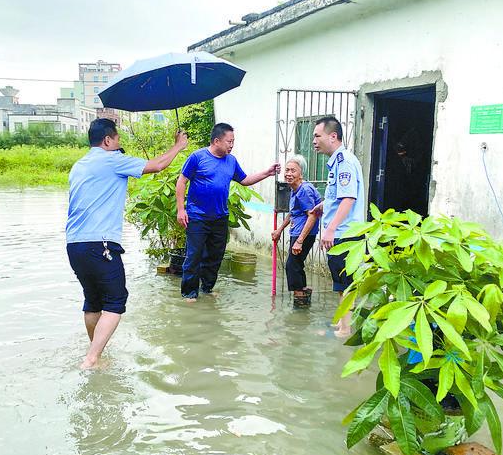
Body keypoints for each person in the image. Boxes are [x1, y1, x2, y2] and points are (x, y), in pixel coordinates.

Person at [66, 118, 187, 369]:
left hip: (74, 244)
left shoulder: (78, 166)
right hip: (100, 244)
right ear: (108, 140)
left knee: (93, 301)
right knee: (115, 301)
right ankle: (91, 358)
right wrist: (178, 146)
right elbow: (157, 165)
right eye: (118, 139)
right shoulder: (112, 160)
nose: (120, 143)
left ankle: (95, 353)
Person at [176, 122, 280, 300]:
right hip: (197, 216)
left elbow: (245, 180)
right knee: (194, 256)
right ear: (216, 141)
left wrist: (267, 173)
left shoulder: (231, 161)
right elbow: (181, 182)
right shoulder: (197, 157)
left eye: (233, 141)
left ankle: (207, 289)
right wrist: (181, 210)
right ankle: (189, 294)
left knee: (215, 257)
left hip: (220, 217)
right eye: (229, 141)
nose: (232, 145)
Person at [310, 116, 365, 336]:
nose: (314, 140)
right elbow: (339, 195)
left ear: (333, 136)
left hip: (345, 234)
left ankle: (345, 329)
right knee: (341, 282)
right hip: (341, 231)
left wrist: (331, 228)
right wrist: (323, 205)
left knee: (346, 283)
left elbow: (349, 198)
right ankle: (343, 324)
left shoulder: (345, 162)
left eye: (317, 135)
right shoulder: (337, 161)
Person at [270, 155, 322, 303]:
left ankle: (300, 302)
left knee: (292, 265)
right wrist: (279, 230)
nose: (289, 174)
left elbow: (312, 216)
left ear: (301, 174)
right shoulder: (295, 189)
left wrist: (300, 241)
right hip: (298, 232)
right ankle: (303, 296)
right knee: (296, 265)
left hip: (304, 234)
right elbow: (293, 213)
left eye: (293, 171)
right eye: (287, 170)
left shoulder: (304, 190)